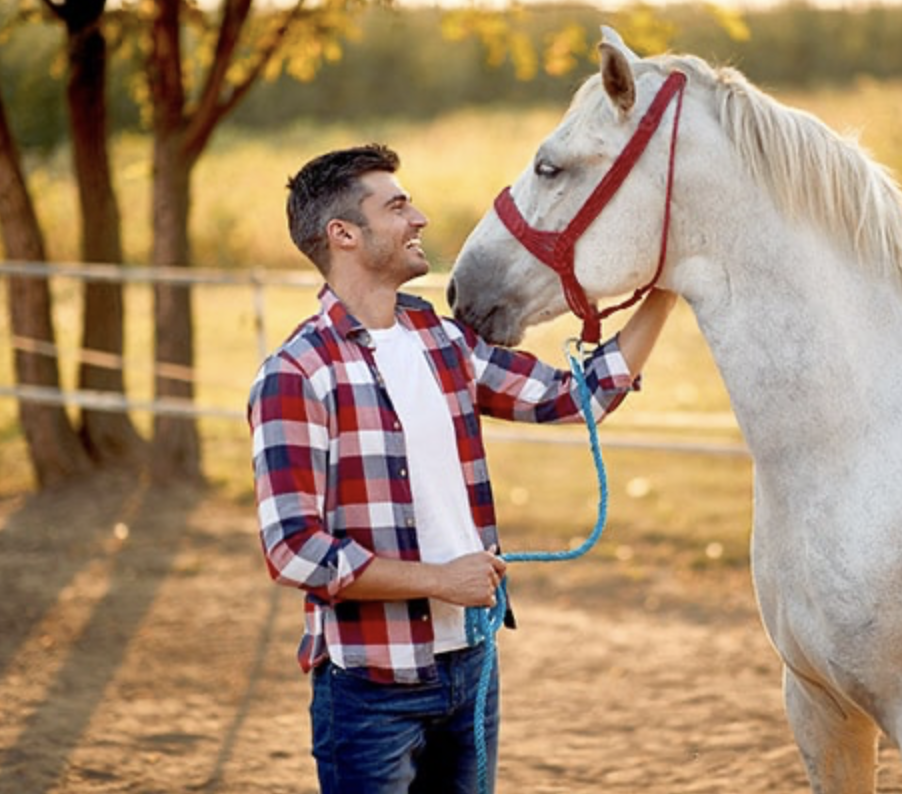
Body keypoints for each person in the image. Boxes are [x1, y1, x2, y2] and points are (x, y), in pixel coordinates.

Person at [247, 143, 675, 794]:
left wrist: (669, 289)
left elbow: (575, 398)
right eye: (395, 206)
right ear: (344, 235)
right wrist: (439, 579)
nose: (418, 218)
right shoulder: (296, 375)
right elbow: (293, 551)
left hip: (471, 665)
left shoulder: (443, 340)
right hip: (370, 689)